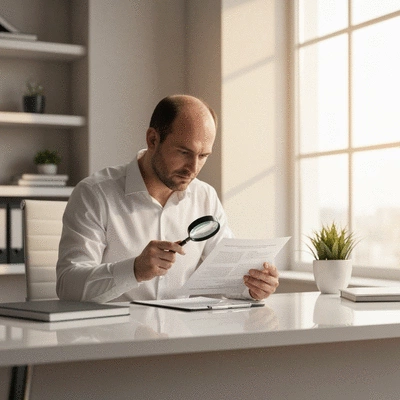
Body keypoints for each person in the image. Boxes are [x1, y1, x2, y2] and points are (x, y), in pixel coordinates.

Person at [56, 94, 279, 303]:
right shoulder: (94, 194)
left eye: (203, 156)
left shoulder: (205, 197)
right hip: (111, 337)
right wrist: (134, 270)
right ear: (153, 139)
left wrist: (253, 286)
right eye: (184, 152)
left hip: (181, 337)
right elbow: (68, 285)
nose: (193, 168)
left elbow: (229, 273)